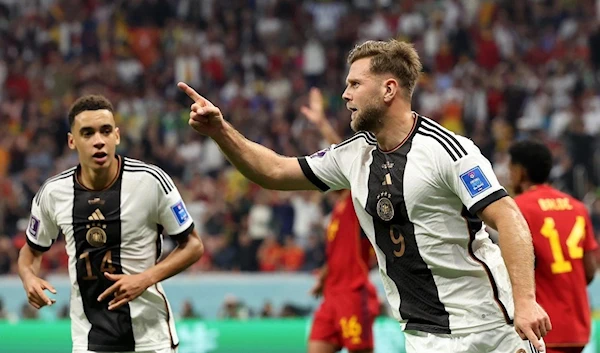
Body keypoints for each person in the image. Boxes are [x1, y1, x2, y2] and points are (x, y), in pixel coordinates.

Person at [178, 39, 551, 353]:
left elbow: (508, 218)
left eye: (355, 84)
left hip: (490, 328)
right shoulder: (354, 154)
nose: (345, 94)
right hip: (423, 335)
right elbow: (275, 171)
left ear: (389, 89)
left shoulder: (448, 150)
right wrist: (220, 130)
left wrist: (525, 300)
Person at [18, 95, 204, 353]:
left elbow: (193, 245)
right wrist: (28, 277)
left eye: (105, 131)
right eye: (87, 133)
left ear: (116, 136)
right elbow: (31, 251)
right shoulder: (53, 193)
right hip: (88, 341)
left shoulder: (151, 181)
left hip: (150, 340)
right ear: (72, 141)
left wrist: (145, 278)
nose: (98, 141)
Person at [301, 87, 380, 353]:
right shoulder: (334, 213)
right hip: (331, 295)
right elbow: (337, 255)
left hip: (352, 292)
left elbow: (348, 158)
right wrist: (324, 278)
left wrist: (322, 124)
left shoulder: (354, 198)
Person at [509, 140, 598, 353]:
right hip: (578, 326)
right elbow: (590, 271)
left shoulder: (518, 207)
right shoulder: (578, 207)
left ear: (520, 171)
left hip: (540, 326)